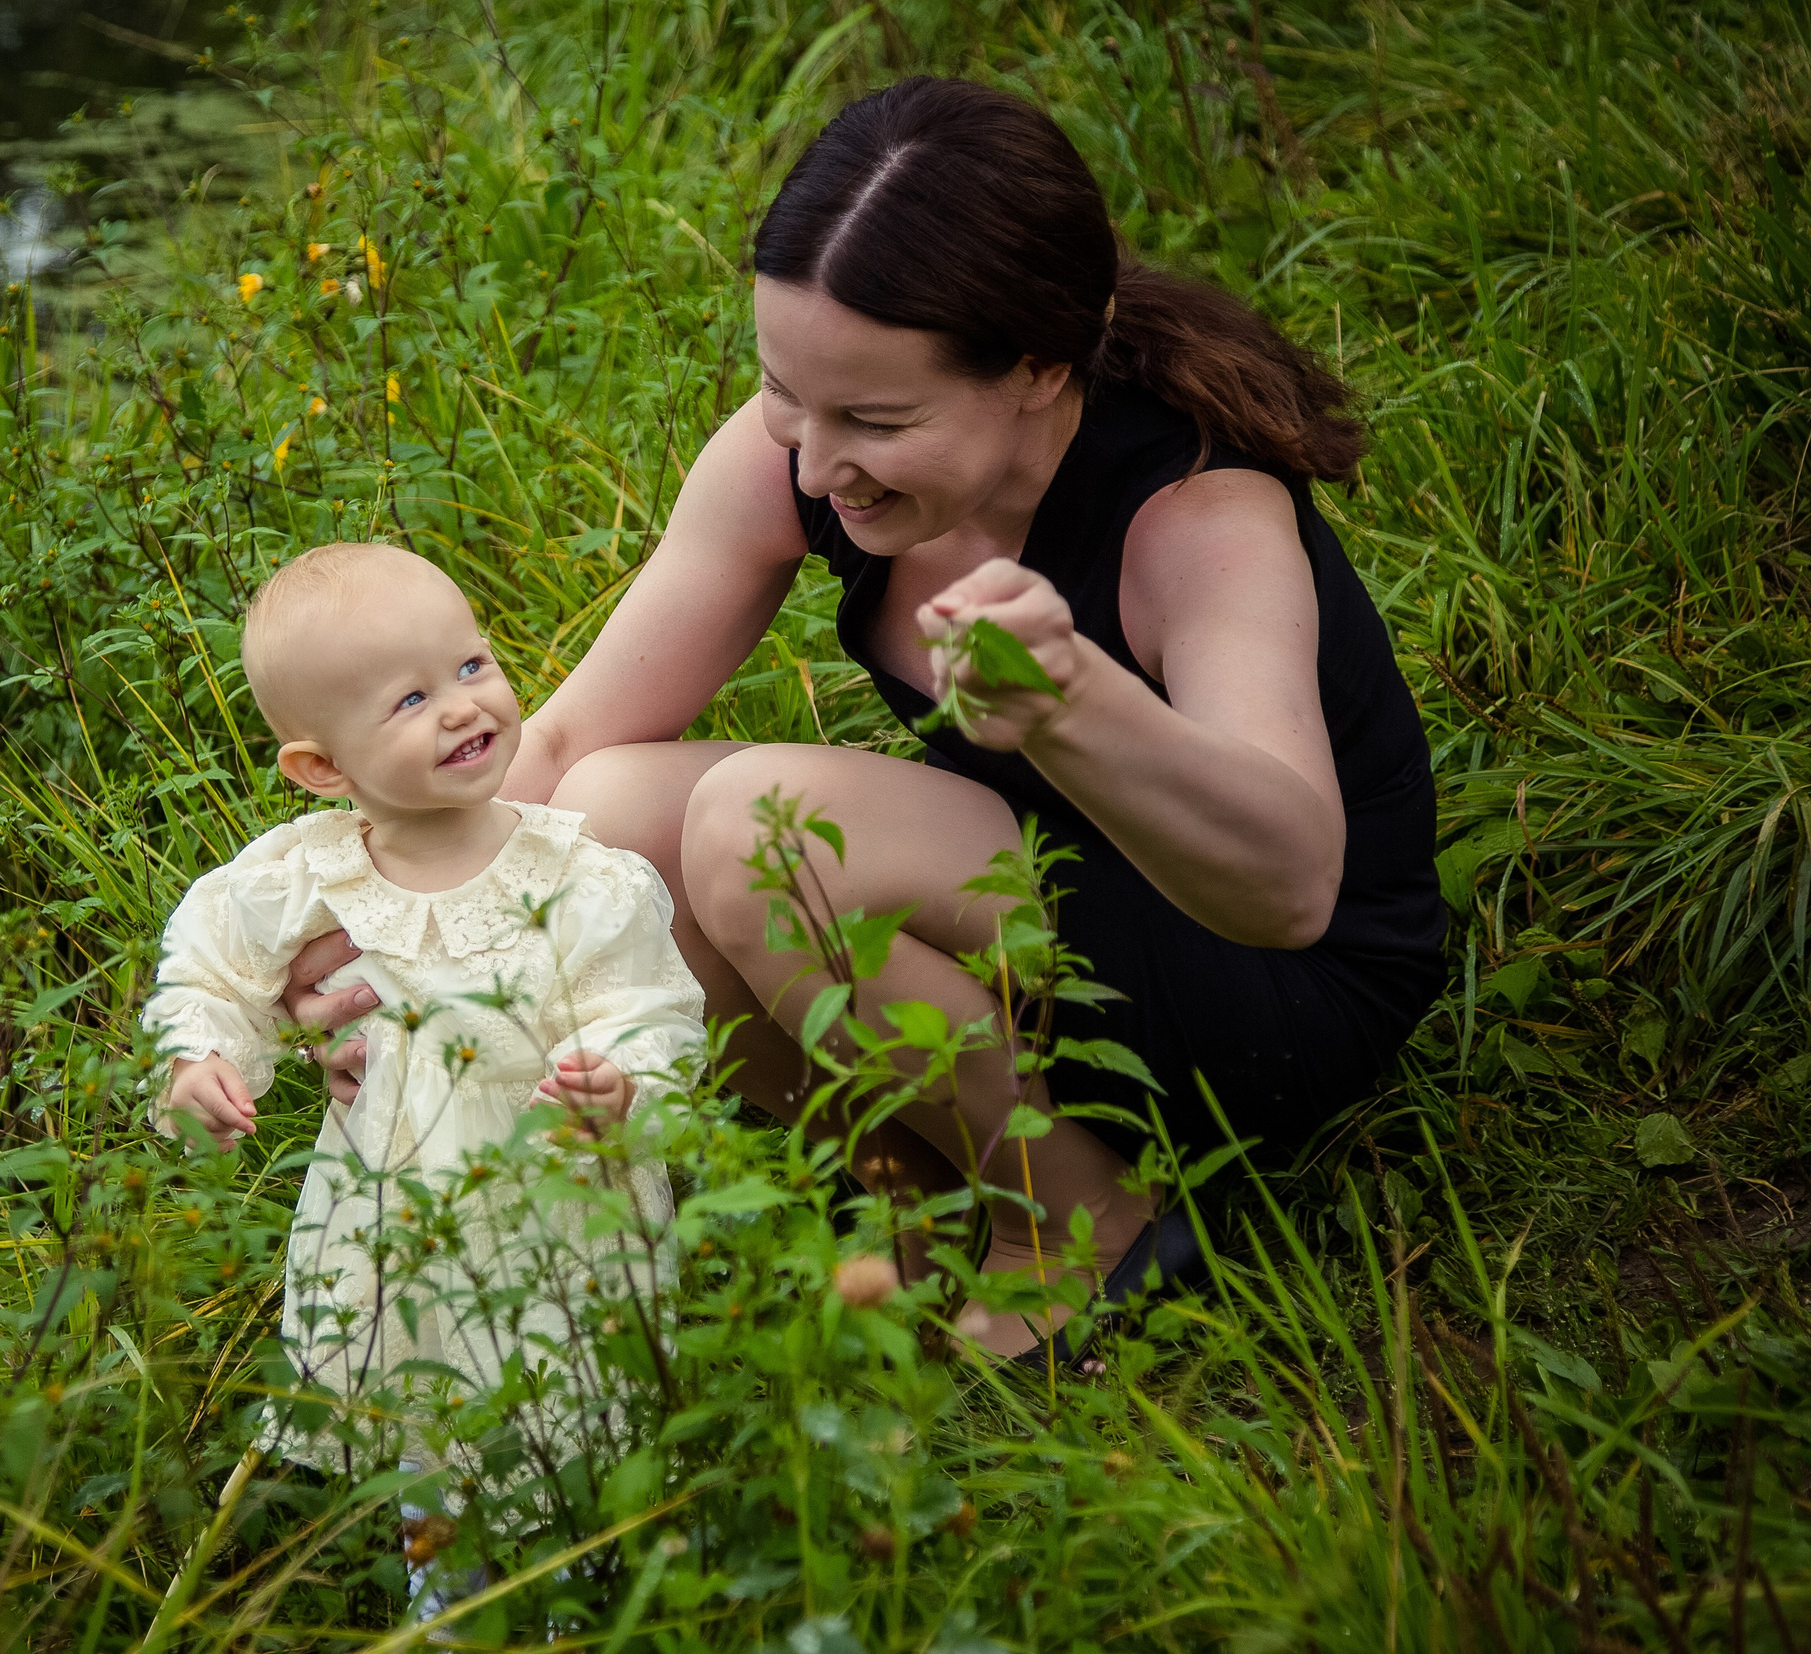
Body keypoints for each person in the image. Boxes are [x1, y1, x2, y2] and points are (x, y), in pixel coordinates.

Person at [275, 78, 1445, 1361]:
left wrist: (1075, 703)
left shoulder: (1197, 521)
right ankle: (921, 1199)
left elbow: (1289, 888)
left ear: (1042, 365)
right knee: (608, 816)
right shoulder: (805, 451)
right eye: (787, 391)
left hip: (1267, 989)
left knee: (755, 832)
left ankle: (1081, 1220)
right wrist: (402, 941)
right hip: (1045, 893)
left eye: (877, 420)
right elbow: (554, 751)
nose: (816, 462)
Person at [143, 541, 705, 1429]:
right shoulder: (311, 876)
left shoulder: (576, 873)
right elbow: (208, 965)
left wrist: (616, 1071)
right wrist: (197, 1058)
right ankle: (440, 1558)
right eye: (411, 699)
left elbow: (648, 1000)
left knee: (575, 1396)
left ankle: (589, 1555)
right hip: (393, 1210)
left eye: (471, 665)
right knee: (422, 1401)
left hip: (563, 1199)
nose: (463, 706)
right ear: (324, 768)